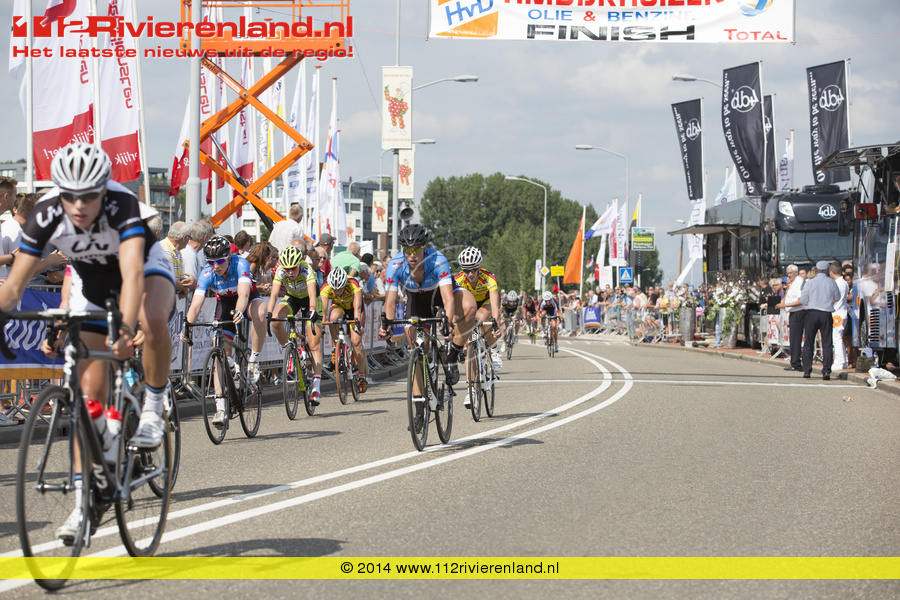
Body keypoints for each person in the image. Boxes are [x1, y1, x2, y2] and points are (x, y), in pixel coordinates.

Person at [0, 144, 177, 537]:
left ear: (104, 189)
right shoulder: (46, 213)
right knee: (87, 399)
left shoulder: (121, 204)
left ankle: (153, 405)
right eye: (70, 196)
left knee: (151, 318)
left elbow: (132, 275)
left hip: (144, 271)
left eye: (89, 196)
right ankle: (85, 502)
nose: (79, 205)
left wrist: (126, 328)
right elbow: (13, 287)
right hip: (93, 285)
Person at [377, 224, 477, 415]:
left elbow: (447, 298)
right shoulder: (395, 264)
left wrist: (448, 322)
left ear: (425, 248)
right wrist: (387, 326)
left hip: (440, 293)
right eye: (407, 250)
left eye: (416, 250)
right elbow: (389, 301)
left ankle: (452, 356)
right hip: (416, 299)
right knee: (415, 348)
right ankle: (419, 405)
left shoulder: (437, 259)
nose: (412, 255)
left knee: (470, 307)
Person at [183, 236, 267, 427]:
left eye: (219, 261)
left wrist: (239, 311)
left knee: (261, 312)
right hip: (225, 304)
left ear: (228, 257)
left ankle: (254, 360)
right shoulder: (207, 273)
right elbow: (195, 305)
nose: (215, 266)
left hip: (247, 299)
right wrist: (187, 326)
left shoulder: (240, 263)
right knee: (219, 354)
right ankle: (220, 408)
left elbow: (244, 294)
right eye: (211, 262)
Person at [265, 244, 324, 405]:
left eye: (293, 268)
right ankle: (290, 352)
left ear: (299, 264)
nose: (290, 272)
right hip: (292, 298)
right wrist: (269, 312)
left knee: (314, 345)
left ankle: (316, 387)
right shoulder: (281, 270)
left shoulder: (306, 269)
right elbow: (274, 295)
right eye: (287, 269)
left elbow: (312, 293)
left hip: (311, 300)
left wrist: (312, 310)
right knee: (276, 319)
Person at [454, 246, 503, 373]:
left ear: (479, 266)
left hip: (486, 302)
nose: (470, 274)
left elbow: (495, 306)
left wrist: (496, 324)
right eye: (466, 270)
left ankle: (494, 350)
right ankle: (471, 385)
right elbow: (454, 304)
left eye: (474, 270)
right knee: (468, 343)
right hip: (469, 303)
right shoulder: (458, 280)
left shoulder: (488, 278)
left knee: (481, 319)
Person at [321, 267, 368, 393]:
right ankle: (335, 347)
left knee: (356, 342)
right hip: (339, 307)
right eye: (334, 289)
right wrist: (321, 327)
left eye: (340, 289)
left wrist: (357, 324)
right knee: (333, 318)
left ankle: (362, 376)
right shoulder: (325, 286)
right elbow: (323, 310)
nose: (337, 292)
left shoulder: (353, 284)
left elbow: (358, 308)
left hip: (353, 309)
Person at [800, 261, 841, 380]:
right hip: (826, 313)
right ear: (828, 270)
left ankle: (807, 370)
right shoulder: (831, 282)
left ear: (816, 270)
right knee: (827, 343)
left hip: (812, 313)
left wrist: (810, 302)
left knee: (808, 342)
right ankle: (826, 370)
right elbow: (837, 297)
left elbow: (803, 299)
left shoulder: (810, 282)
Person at [776, 265, 806, 372]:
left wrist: (786, 305)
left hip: (798, 312)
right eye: (788, 273)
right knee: (793, 338)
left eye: (791, 273)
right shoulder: (793, 283)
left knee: (795, 339)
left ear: (796, 273)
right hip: (793, 312)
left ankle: (796, 363)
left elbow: (800, 300)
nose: (789, 275)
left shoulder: (799, 282)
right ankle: (795, 362)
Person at [159, 221, 196, 299]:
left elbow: (179, 278)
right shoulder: (165, 251)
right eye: (189, 238)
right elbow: (169, 279)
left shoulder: (177, 252)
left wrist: (188, 282)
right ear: (184, 238)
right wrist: (183, 287)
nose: (189, 241)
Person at [829, 262, 850, 372]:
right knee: (839, 338)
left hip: (837, 314)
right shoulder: (844, 283)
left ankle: (839, 362)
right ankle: (844, 361)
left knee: (836, 338)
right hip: (842, 312)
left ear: (831, 272)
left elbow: (833, 299)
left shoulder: (837, 284)